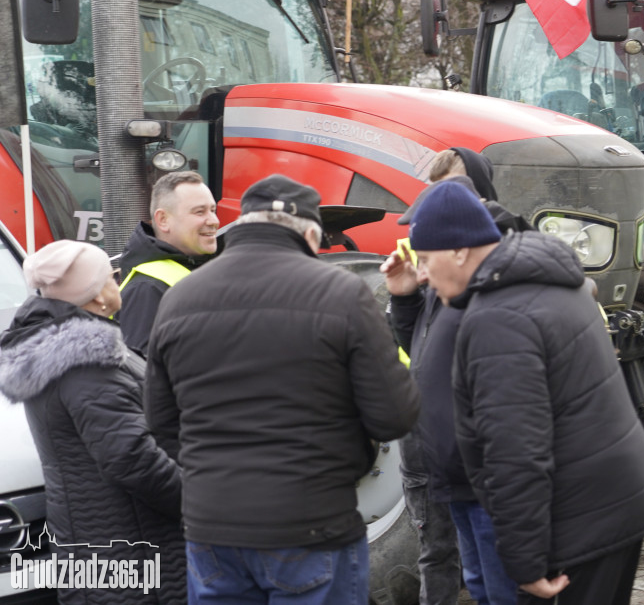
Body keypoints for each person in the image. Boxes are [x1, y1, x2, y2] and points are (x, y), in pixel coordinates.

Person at [146, 174, 420, 604]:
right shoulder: (342, 292)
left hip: (212, 528)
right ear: (311, 233)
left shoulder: (180, 298)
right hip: (312, 523)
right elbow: (394, 415)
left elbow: (161, 423)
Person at [407, 180, 644, 605]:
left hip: (584, 517)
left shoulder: (499, 317)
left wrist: (525, 566)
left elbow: (515, 451)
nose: (422, 272)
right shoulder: (548, 280)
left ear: (458, 251)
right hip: (616, 498)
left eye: (425, 258)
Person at [0, 240, 185, 605]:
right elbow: (132, 458)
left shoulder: (63, 349)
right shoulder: (87, 363)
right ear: (96, 293)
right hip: (133, 557)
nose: (119, 283)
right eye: (112, 277)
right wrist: (199, 501)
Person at [386, 174, 521, 605]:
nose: (418, 258)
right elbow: (421, 353)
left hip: (481, 477)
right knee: (471, 574)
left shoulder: (485, 294)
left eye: (425, 249)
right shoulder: (437, 288)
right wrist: (405, 298)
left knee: (500, 585)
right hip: (445, 469)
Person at [117, 170, 219, 356]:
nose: (214, 221)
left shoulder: (194, 269)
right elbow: (141, 375)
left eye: (213, 210)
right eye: (199, 212)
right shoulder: (147, 289)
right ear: (163, 220)